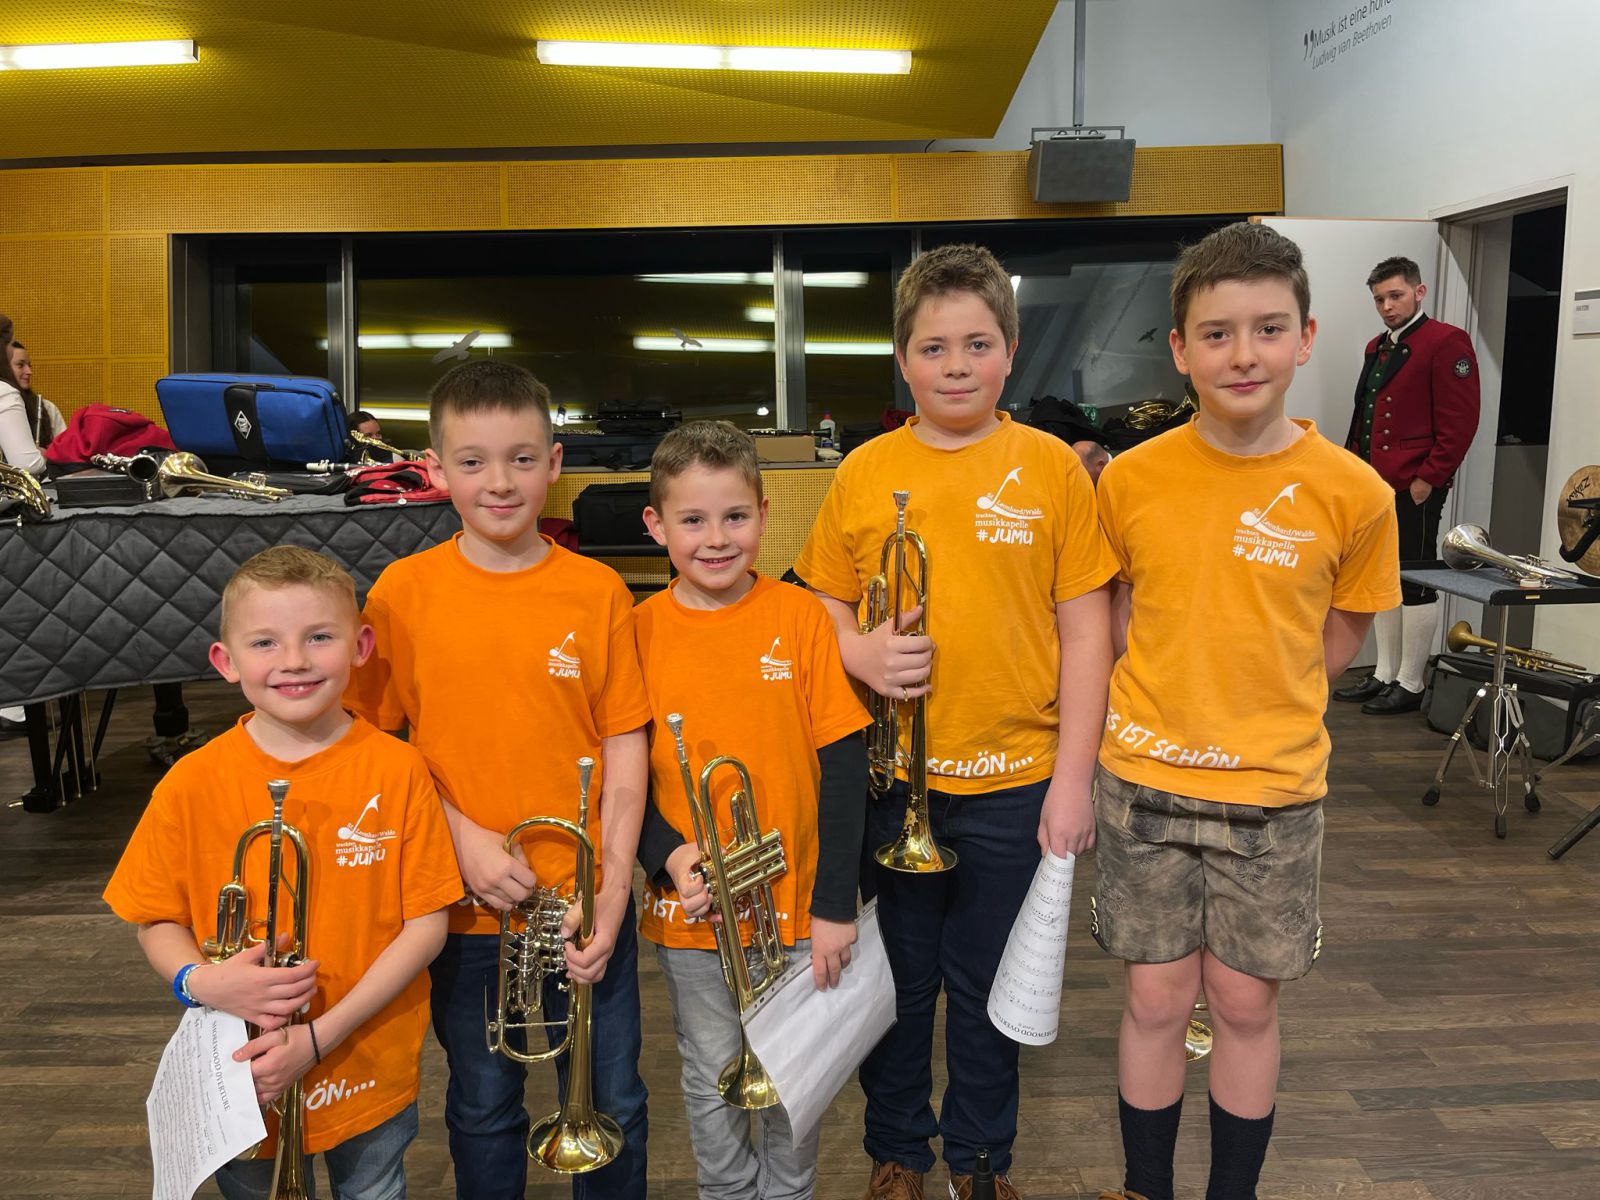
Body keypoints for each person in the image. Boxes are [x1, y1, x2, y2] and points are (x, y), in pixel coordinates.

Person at [795, 243, 1117, 1200]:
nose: (957, 366)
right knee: (895, 991)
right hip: (894, 783)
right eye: (933, 348)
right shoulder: (865, 472)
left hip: (1016, 784)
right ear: (903, 359)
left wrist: (1073, 781)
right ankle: (897, 1155)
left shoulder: (1051, 467)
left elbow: (1087, 633)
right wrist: (856, 652)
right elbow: (819, 603)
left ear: (1010, 351)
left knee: (989, 990)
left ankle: (981, 1162)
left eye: (978, 344)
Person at [1091, 222, 1400, 1200]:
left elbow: (1339, 634)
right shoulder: (1129, 480)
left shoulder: (1355, 493)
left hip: (1273, 791)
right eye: (1216, 334)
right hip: (1143, 782)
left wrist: (1258, 699)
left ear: (1305, 338)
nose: (1243, 354)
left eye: (1268, 329)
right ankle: (1146, 1188)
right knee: (1154, 999)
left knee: (1242, 1003)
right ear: (1180, 350)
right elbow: (1114, 617)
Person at [345, 358, 652, 1200]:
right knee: (483, 1107)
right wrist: (457, 837)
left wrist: (614, 889)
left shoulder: (598, 591)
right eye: (473, 462)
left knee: (613, 1100)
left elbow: (626, 747)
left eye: (521, 459)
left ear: (555, 464)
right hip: (466, 908)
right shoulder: (402, 594)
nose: (501, 482)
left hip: (587, 906)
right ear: (436, 470)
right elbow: (369, 746)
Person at [102, 544, 463, 1200]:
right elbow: (155, 919)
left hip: (367, 1054)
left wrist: (320, 1036)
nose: (293, 660)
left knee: (375, 1187)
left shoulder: (400, 770)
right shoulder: (190, 782)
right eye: (265, 642)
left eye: (319, 637)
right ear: (226, 662)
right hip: (241, 1068)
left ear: (361, 647)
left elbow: (426, 926)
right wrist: (200, 980)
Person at [633, 420, 871, 1199]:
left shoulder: (799, 617)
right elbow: (621, 781)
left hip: (797, 913)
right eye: (693, 520)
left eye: (735, 516)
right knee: (712, 1074)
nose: (716, 538)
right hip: (694, 916)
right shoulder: (636, 633)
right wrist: (667, 856)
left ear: (765, 516)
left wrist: (834, 906)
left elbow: (844, 768)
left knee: (793, 1076)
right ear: (656, 525)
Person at [1332, 255, 1479, 715]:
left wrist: (1428, 478)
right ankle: (1384, 674)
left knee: (1415, 578)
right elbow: (1364, 414)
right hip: (1373, 483)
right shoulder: (1377, 346)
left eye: (1395, 296)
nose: (1387, 306)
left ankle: (1411, 682)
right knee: (1383, 579)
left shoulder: (1446, 342)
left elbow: (1460, 421)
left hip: (1414, 484)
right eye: (1379, 299)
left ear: (1419, 291)